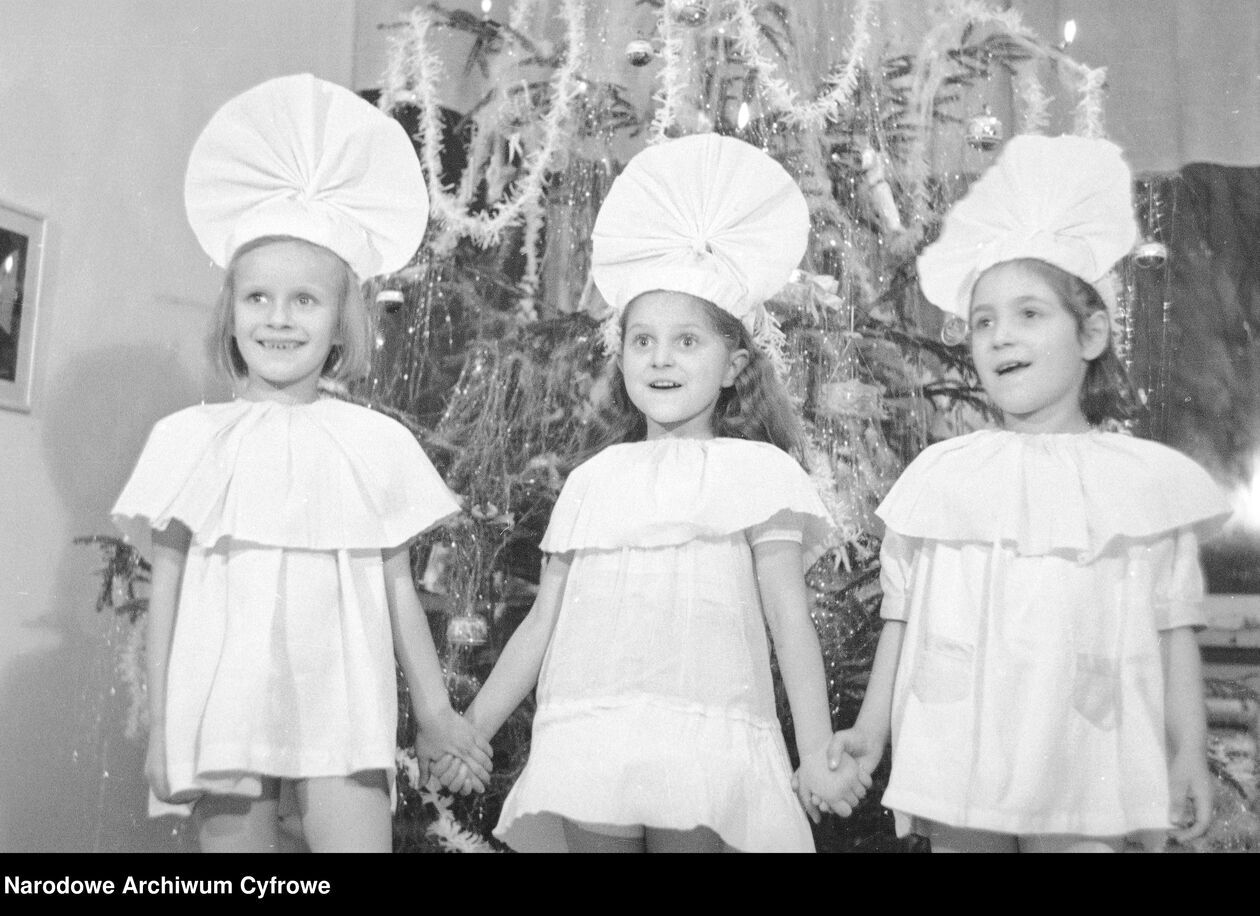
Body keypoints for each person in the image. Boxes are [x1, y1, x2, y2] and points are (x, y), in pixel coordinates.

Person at [429, 133, 867, 852]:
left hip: (704, 737)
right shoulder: (593, 480)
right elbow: (542, 624)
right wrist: (469, 729)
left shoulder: (757, 474)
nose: (661, 358)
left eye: (688, 341)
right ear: (622, 353)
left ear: (734, 365)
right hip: (596, 730)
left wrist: (814, 750)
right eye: (643, 340)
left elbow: (790, 620)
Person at [111, 74, 492, 853]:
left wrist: (434, 711)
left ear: (342, 321)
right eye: (258, 298)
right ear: (232, 312)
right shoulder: (189, 440)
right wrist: (162, 730)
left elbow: (395, 586)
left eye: (304, 302)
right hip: (224, 709)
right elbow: (170, 586)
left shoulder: (373, 443)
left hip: (341, 707)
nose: (278, 319)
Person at [826, 134, 1231, 853]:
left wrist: (1187, 753)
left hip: (1086, 750)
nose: (1000, 337)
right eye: (983, 320)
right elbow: (901, 615)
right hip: (964, 746)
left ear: (1092, 333)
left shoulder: (1140, 484)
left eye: (1029, 314)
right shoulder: (945, 475)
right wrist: (870, 727)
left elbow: (1174, 630)